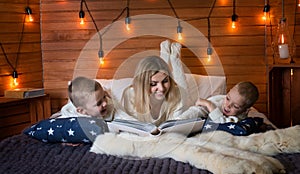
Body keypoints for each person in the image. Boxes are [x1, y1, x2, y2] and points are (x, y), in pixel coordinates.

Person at [195, 81, 276, 127]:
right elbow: (198, 109)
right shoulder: (219, 100)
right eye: (227, 98)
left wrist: (208, 104)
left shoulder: (238, 119)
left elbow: (221, 122)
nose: (228, 105)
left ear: (245, 110)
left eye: (235, 106)